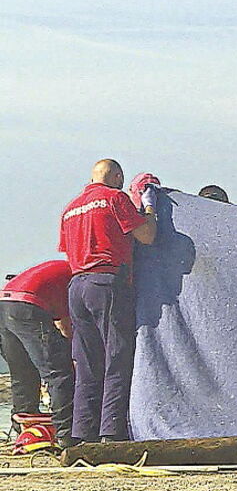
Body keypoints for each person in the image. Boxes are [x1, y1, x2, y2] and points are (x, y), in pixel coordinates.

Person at [59, 159, 157, 443]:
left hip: (77, 286)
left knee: (87, 362)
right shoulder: (115, 198)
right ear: (116, 176)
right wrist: (149, 208)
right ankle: (112, 432)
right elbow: (147, 236)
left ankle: (82, 432)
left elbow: (67, 250)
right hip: (107, 282)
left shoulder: (70, 208)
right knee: (117, 356)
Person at [0, 260, 76, 446]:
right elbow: (65, 326)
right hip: (27, 306)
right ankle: (66, 435)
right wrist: (74, 358)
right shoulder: (76, 277)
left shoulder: (59, 273)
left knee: (23, 374)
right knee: (59, 372)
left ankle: (23, 430)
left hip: (4, 304)